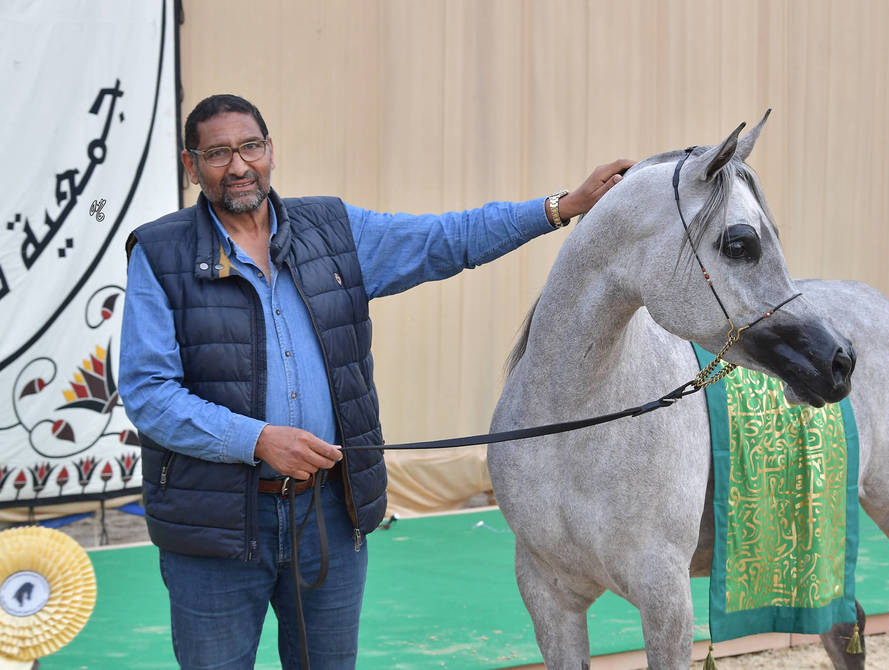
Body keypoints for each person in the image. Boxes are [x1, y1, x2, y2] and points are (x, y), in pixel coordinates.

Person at [118, 93, 633, 670]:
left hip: (328, 514)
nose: (238, 166)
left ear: (270, 151)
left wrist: (562, 207)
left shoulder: (333, 232)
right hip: (213, 525)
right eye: (217, 154)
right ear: (191, 166)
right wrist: (258, 440)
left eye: (250, 147)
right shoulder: (159, 253)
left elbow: (447, 238)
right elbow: (149, 393)